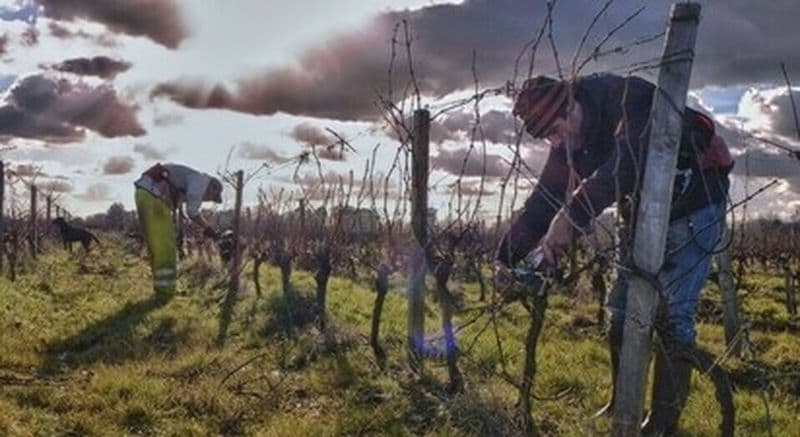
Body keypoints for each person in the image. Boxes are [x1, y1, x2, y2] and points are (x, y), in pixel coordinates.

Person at [495, 73, 733, 435]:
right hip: (640, 215)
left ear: (571, 105)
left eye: (557, 129)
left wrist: (572, 217)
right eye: (549, 137)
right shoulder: (567, 141)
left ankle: (662, 424)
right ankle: (623, 401)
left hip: (694, 205)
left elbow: (626, 163)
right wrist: (507, 257)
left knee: (674, 316)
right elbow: (546, 197)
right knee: (619, 307)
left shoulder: (629, 97)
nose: (556, 141)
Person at [134, 163, 223, 296]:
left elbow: (182, 208)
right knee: (166, 247)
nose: (206, 201)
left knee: (156, 246)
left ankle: (161, 289)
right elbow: (192, 212)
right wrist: (208, 228)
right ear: (212, 187)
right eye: (211, 198)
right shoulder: (200, 182)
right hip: (153, 196)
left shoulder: (190, 180)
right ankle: (166, 291)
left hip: (146, 194)